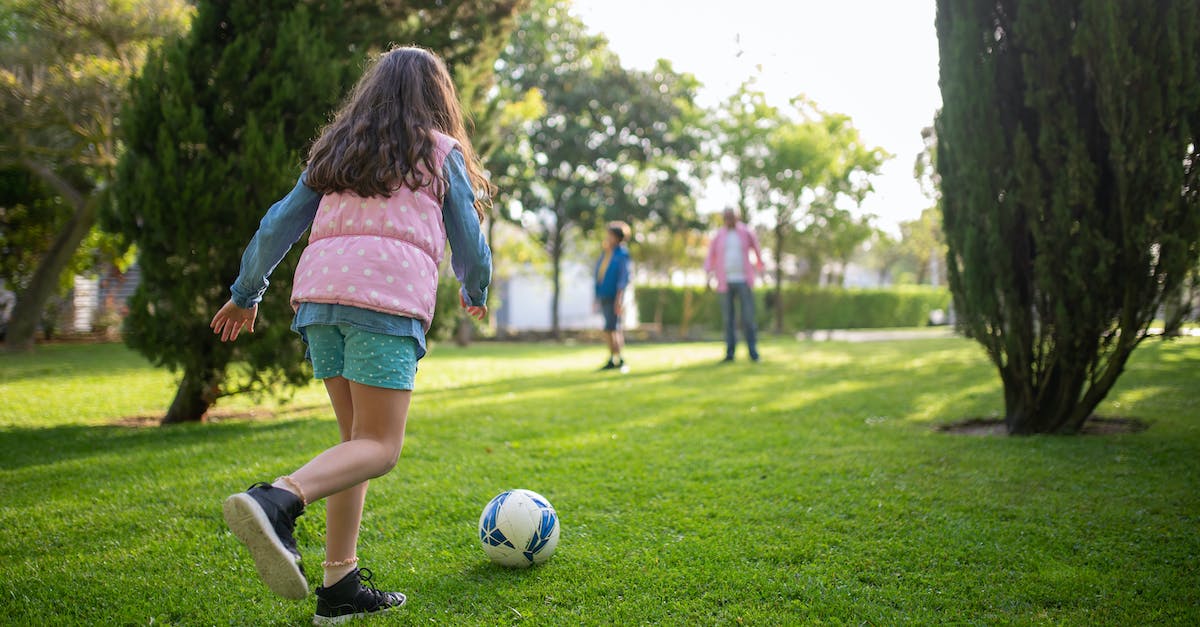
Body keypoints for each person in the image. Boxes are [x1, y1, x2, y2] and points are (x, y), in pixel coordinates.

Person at [208, 46, 492, 625]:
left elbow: (278, 222)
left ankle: (339, 586)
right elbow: (468, 233)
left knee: (353, 446)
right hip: (383, 305)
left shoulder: (339, 151)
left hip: (320, 305)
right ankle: (277, 499)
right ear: (438, 98)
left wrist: (246, 292)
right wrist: (475, 286)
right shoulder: (441, 152)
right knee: (380, 448)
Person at [704, 209, 765, 362]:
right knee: (728, 320)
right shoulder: (719, 235)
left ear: (737, 218)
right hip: (725, 282)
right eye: (726, 218)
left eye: (731, 217)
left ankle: (753, 353)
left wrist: (760, 268)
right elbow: (711, 255)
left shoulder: (746, 232)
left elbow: (757, 249)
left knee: (748, 318)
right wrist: (708, 274)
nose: (729, 220)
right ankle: (730, 354)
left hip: (744, 280)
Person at [594, 221, 631, 371]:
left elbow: (623, 277)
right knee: (609, 328)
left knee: (613, 327)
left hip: (614, 296)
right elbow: (599, 275)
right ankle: (612, 357)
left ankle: (619, 358)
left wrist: (619, 298)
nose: (607, 238)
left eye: (610, 235)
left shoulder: (622, 254)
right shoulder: (607, 253)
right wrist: (596, 296)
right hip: (604, 294)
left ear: (617, 237)